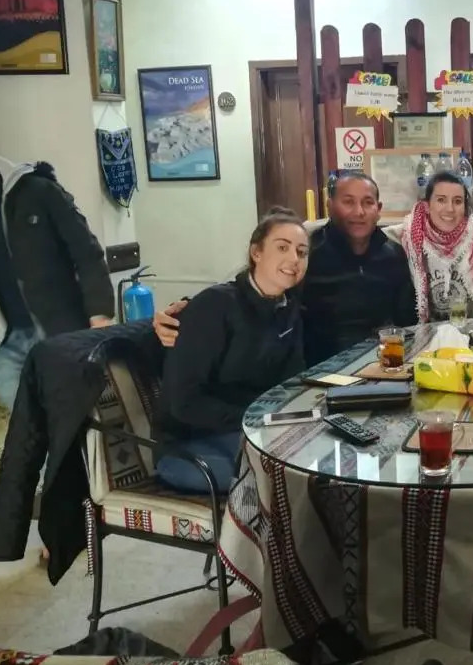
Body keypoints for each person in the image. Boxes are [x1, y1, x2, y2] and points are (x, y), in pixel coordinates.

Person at [154, 173, 415, 366]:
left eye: (368, 203)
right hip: (315, 366)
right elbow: (250, 287)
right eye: (348, 202)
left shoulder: (394, 253)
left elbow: (407, 319)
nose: (359, 212)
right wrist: (188, 311)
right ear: (329, 206)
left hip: (378, 363)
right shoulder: (306, 250)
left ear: (378, 210)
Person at [153, 207, 309, 494]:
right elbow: (183, 402)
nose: (294, 259)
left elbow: (291, 381)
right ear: (256, 253)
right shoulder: (214, 307)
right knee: (283, 479)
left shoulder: (288, 308)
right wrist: (257, 419)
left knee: (315, 456)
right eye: (282, 248)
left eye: (302, 252)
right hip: (190, 446)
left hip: (251, 430)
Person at [0, 106, 114, 411]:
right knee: (30, 427)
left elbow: (86, 252)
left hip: (60, 329)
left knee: (75, 418)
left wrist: (100, 316)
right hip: (4, 345)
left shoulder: (34, 191)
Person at [389, 170, 473, 322]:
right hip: (425, 332)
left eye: (457, 201)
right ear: (426, 206)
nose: (450, 209)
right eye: (441, 200)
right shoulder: (405, 236)